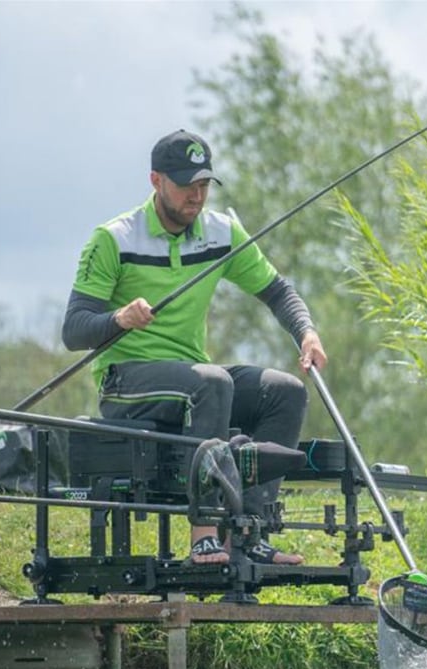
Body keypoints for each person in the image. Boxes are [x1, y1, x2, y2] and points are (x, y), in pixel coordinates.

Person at [62, 129, 327, 566]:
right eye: (187, 185)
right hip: (126, 381)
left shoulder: (222, 233)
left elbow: (278, 291)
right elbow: (74, 330)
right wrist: (119, 319)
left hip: (193, 378)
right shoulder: (113, 239)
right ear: (156, 181)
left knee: (284, 391)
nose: (197, 196)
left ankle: (250, 534)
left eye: (204, 185)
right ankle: (204, 534)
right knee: (212, 383)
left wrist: (306, 333)